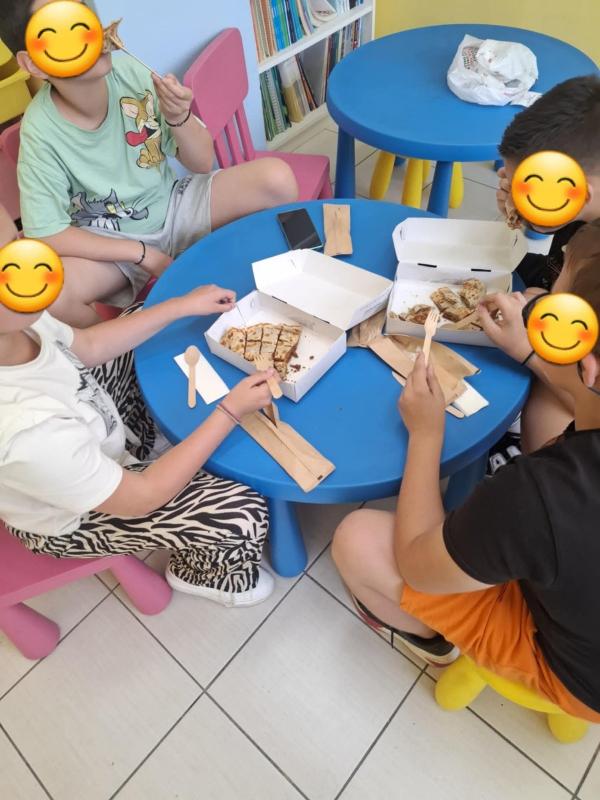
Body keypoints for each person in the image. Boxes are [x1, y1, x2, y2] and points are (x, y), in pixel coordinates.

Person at [332, 246, 600, 723]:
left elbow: (417, 564)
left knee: (356, 539)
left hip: (575, 680)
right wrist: (529, 352)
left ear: (591, 365)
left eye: (550, 313)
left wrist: (426, 433)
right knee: (547, 403)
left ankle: (433, 642)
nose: (535, 307)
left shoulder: (539, 495)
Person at [0, 207, 278, 605]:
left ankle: (145, 439)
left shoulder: (20, 319)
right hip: (73, 517)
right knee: (239, 512)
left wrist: (181, 305)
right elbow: (142, 496)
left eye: (16, 245)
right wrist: (230, 411)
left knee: (151, 326)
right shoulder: (25, 431)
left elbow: (90, 345)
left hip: (89, 434)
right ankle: (205, 574)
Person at [0, 0, 298, 327]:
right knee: (51, 294)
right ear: (34, 64)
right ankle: (125, 349)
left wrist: (180, 117)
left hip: (175, 204)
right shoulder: (40, 132)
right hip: (114, 245)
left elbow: (201, 162)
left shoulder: (131, 74)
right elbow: (49, 233)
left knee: (277, 178)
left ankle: (280, 290)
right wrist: (140, 253)